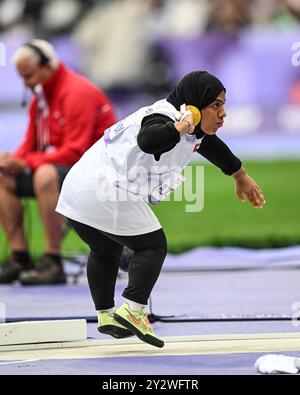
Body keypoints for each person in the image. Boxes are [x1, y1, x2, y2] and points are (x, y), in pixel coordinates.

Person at [56, 71, 266, 348]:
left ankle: (106, 314)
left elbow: (208, 145)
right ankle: (133, 308)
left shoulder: (189, 127)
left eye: (223, 105)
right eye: (216, 104)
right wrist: (182, 124)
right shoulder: (164, 116)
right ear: (195, 103)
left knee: (105, 250)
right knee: (153, 245)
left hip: (76, 189)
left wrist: (239, 174)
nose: (223, 113)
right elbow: (150, 139)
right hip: (103, 189)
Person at [0, 39, 117, 285]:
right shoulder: (41, 97)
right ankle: (20, 257)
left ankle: (53, 261)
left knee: (45, 174)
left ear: (47, 66)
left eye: (29, 76)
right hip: (71, 167)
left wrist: (27, 163)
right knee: (3, 175)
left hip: (99, 172)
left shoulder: (77, 92)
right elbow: (30, 142)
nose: (25, 83)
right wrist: (12, 160)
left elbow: (76, 151)